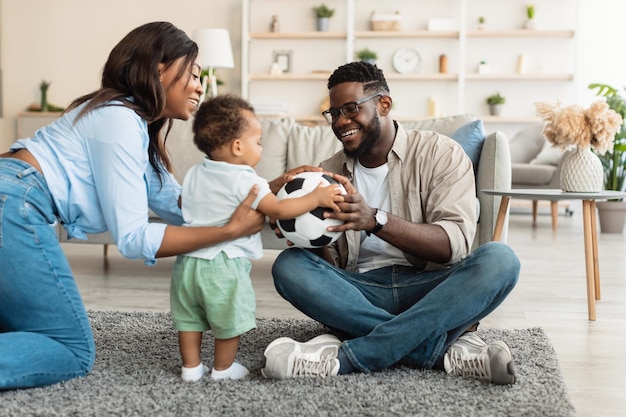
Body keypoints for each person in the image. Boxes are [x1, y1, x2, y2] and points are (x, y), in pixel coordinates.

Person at [0, 22, 271, 390]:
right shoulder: (118, 120)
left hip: (11, 197)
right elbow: (132, 238)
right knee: (71, 348)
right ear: (160, 70)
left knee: (26, 328)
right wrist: (228, 232)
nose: (199, 86)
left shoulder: (128, 124)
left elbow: (185, 206)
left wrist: (272, 195)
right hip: (13, 202)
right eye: (192, 74)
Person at [261, 61, 521, 384]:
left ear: (384, 104)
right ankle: (438, 350)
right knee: (288, 266)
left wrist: (374, 219)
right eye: (334, 113)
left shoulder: (442, 154)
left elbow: (451, 246)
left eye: (351, 108)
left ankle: (345, 359)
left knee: (500, 260)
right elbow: (332, 266)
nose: (341, 122)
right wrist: (303, 235)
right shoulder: (327, 170)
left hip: (430, 288)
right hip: (360, 292)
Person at [171, 94, 343, 382]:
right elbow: (277, 208)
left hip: (187, 262)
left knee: (189, 319)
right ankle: (222, 370)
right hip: (223, 264)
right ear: (238, 146)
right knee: (229, 319)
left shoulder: (194, 173)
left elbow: (181, 204)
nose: (261, 147)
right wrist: (315, 197)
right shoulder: (246, 179)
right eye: (259, 141)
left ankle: (190, 368)